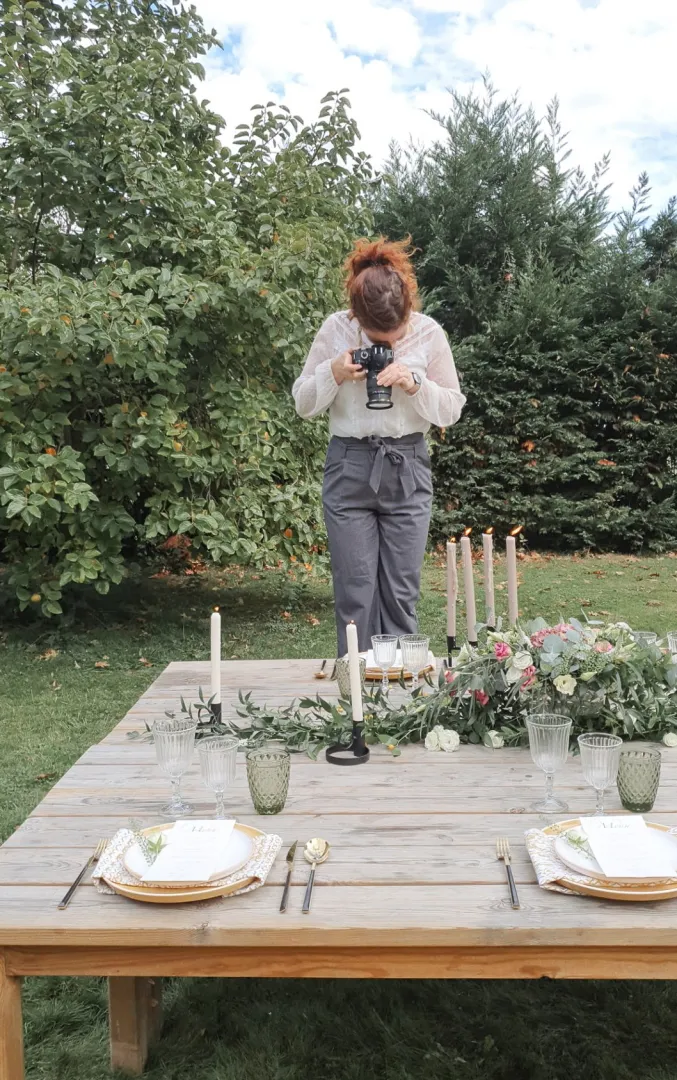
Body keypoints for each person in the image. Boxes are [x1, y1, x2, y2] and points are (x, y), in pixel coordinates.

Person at [292, 237, 466, 656]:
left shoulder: (428, 333)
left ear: (408, 308)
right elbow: (302, 403)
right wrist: (333, 372)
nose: (387, 342)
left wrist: (414, 382)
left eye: (396, 333)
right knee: (355, 590)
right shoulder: (335, 329)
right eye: (376, 337)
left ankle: (401, 694)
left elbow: (452, 409)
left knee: (401, 589)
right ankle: (356, 691)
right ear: (356, 316)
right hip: (349, 466)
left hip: (406, 464)